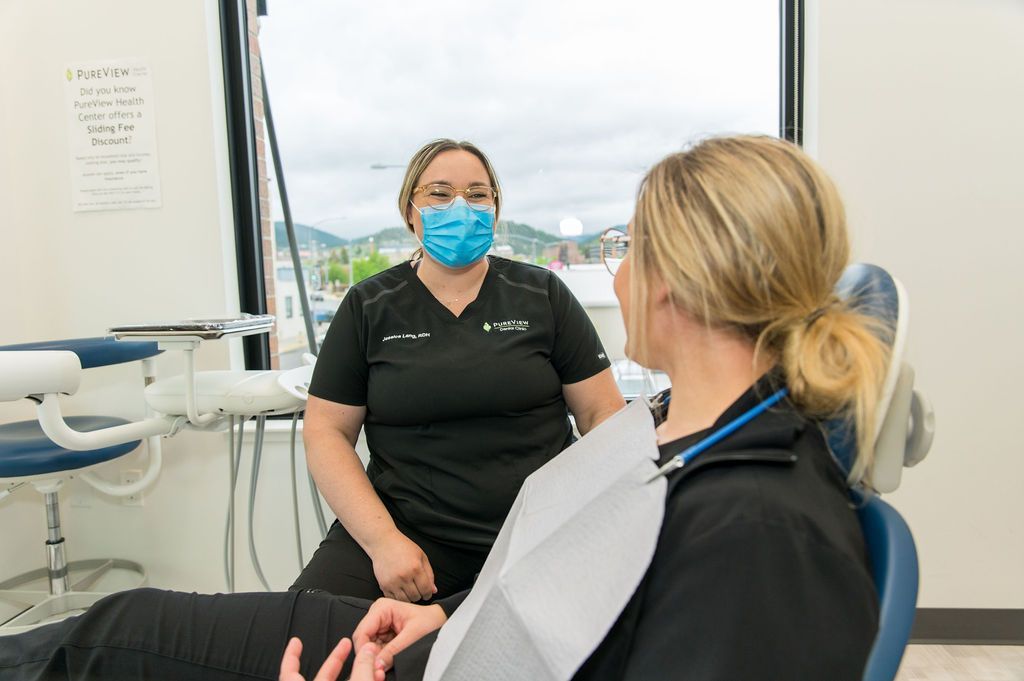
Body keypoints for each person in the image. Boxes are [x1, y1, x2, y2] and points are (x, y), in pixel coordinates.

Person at [0, 135, 885, 681]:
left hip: (470, 645)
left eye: (629, 244)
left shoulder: (758, 523)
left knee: (117, 638)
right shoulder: (699, 439)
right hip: (458, 624)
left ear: (679, 285)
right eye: (439, 193)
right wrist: (452, 612)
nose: (617, 267)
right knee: (127, 623)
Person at [293, 138, 624, 602]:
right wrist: (383, 543)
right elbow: (326, 433)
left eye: (477, 194)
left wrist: (597, 518)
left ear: (494, 208)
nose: (461, 207)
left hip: (535, 530)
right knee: (307, 638)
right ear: (411, 212)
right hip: (405, 534)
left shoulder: (542, 294)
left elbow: (602, 415)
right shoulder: (369, 307)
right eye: (440, 193)